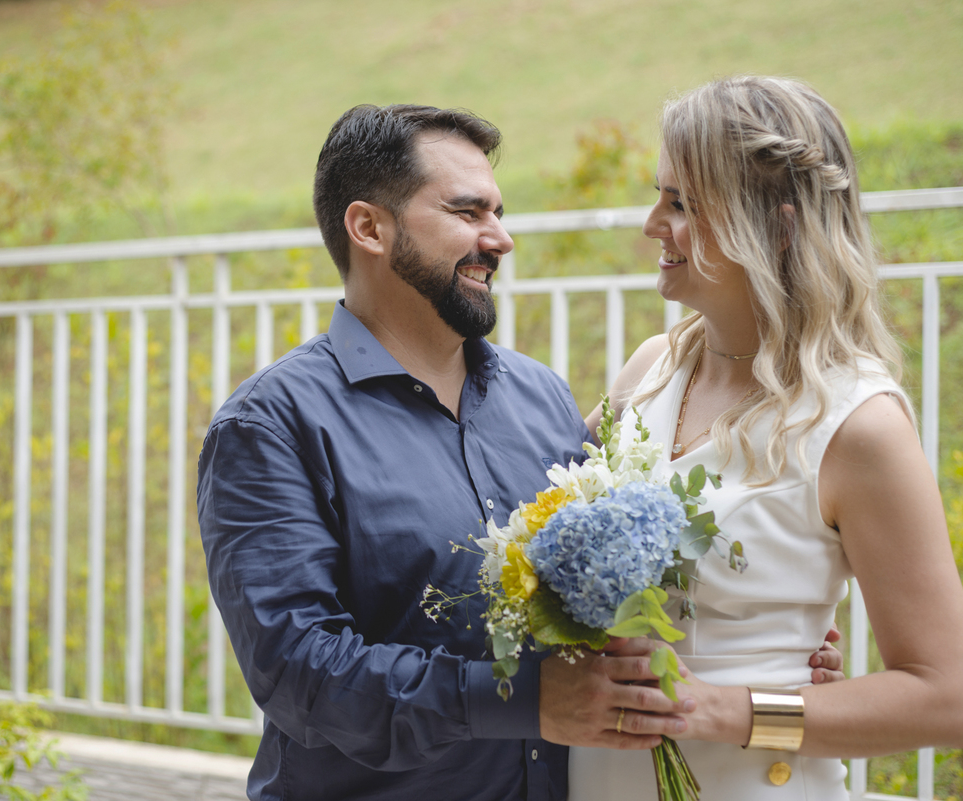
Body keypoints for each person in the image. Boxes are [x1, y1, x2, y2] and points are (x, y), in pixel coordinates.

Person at [197, 103, 842, 801]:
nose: (500, 239)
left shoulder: (544, 399)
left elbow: (613, 571)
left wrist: (759, 635)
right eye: (467, 212)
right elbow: (299, 673)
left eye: (499, 213)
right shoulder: (271, 426)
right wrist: (526, 702)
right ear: (369, 228)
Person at [567, 76, 963, 800]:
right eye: (660, 197)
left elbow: (946, 695)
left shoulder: (857, 425)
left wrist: (723, 709)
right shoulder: (647, 372)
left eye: (682, 203)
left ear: (776, 226)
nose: (652, 223)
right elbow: (542, 539)